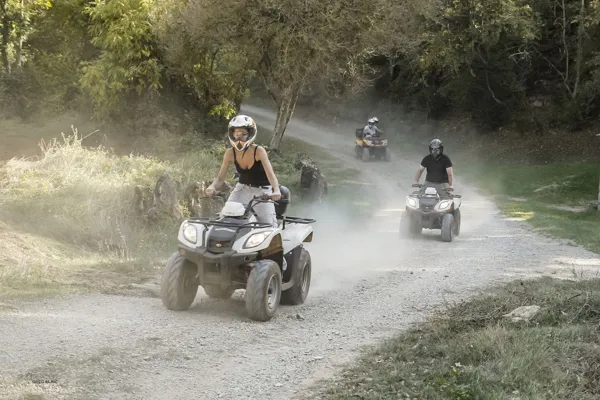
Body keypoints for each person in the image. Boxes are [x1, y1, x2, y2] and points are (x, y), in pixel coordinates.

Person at [204, 115, 281, 228]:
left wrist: (276, 190)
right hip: (241, 189)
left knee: (268, 226)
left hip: (262, 192)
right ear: (232, 135)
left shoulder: (259, 151)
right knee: (225, 218)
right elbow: (220, 178)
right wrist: (212, 187)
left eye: (244, 134)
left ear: (250, 134)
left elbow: (270, 173)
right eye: (237, 134)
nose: (240, 137)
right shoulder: (230, 153)